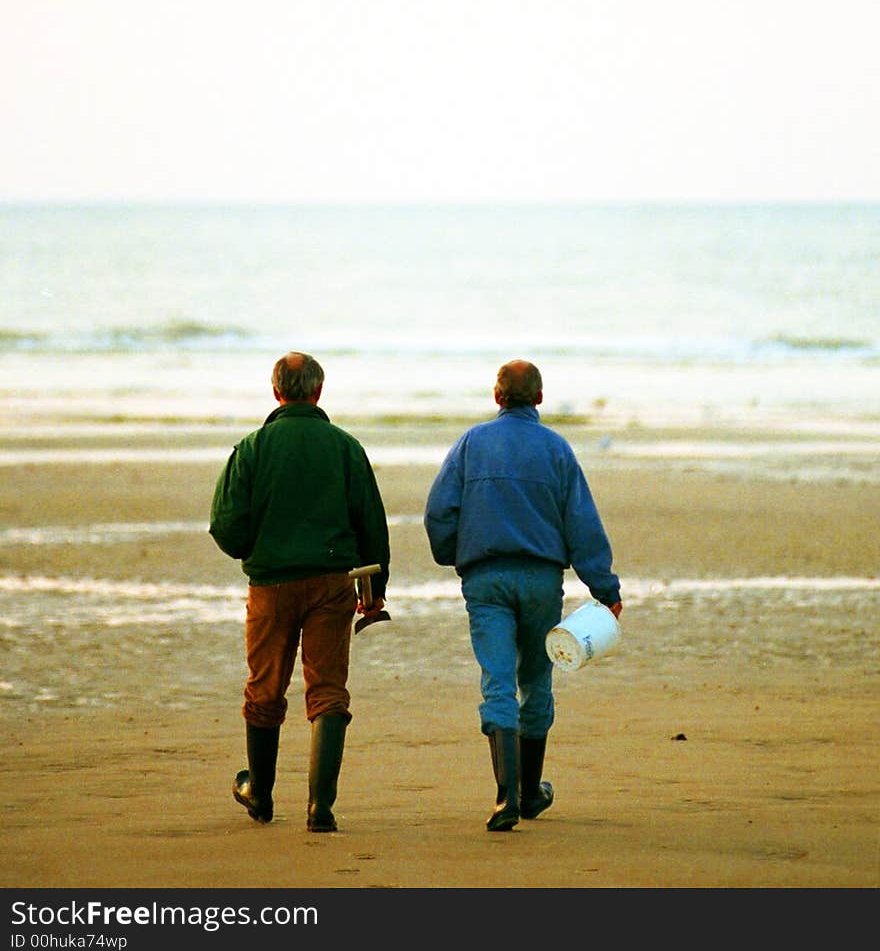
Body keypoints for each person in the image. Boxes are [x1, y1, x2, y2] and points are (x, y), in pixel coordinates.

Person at [424, 358, 622, 832]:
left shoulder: (471, 444)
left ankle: (504, 797)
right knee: (537, 680)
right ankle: (530, 792)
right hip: (539, 580)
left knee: (497, 681)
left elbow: (438, 512)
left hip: (486, 579)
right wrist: (605, 590)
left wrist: (457, 554)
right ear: (538, 398)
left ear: (497, 398)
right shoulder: (556, 449)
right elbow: (583, 525)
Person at [209, 351, 390, 833]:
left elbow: (223, 525)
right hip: (333, 582)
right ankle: (319, 806)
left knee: (265, 687)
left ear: (276, 392)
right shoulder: (345, 446)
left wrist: (258, 548)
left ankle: (261, 795)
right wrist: (376, 589)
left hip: (270, 584)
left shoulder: (252, 448)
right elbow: (372, 523)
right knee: (328, 689)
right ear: (318, 391)